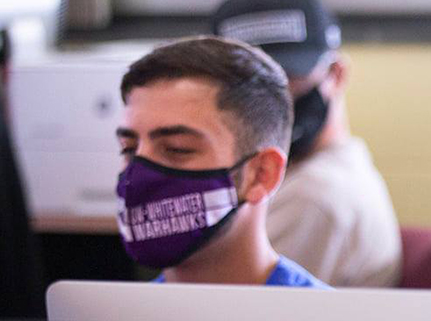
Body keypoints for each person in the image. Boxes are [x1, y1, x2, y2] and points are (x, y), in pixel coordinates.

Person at [213, 0, 402, 287]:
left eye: (287, 77)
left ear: (336, 74)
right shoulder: (316, 171)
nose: (268, 100)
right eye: (245, 85)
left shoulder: (312, 198)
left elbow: (229, 313)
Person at [117, 36, 327, 288]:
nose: (139, 175)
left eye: (177, 149)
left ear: (262, 174)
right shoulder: (108, 320)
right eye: (129, 150)